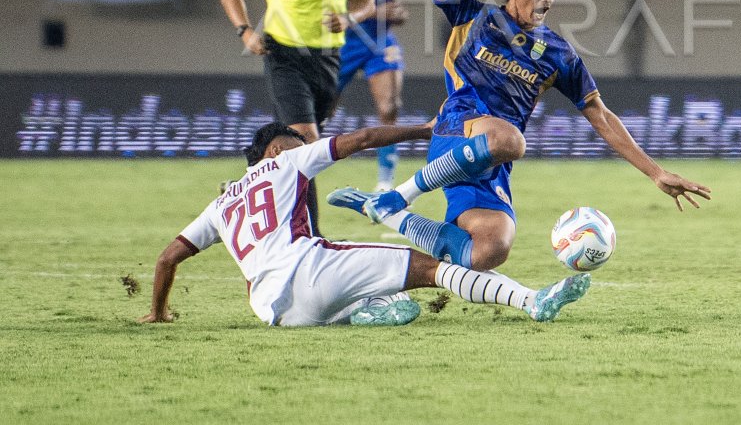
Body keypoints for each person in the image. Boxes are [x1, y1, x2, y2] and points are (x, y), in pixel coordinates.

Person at [328, 0, 711, 272]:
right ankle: (401, 194)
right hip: (455, 133)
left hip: (491, 160)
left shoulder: (559, 55)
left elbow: (600, 116)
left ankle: (387, 212)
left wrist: (656, 172)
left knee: (489, 252)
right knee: (512, 138)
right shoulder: (473, 18)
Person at [138, 121, 591, 326]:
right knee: (431, 265)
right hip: (309, 272)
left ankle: (366, 311)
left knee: (348, 273)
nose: (304, 146)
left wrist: (158, 313)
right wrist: (425, 131)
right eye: (296, 142)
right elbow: (365, 139)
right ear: (275, 150)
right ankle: (532, 301)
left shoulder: (221, 203)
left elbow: (167, 259)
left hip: (272, 312)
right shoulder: (287, 162)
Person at [218, 0, 377, 237]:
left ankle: (242, 191)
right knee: (307, 143)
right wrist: (245, 30)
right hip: (283, 54)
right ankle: (310, 237)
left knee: (289, 150)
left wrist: (349, 17)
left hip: (327, 60)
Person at [337, 0, 410, 191]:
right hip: (346, 38)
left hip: (380, 39)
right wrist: (375, 10)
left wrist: (398, 11)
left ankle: (384, 184)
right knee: (318, 114)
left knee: (389, 107)